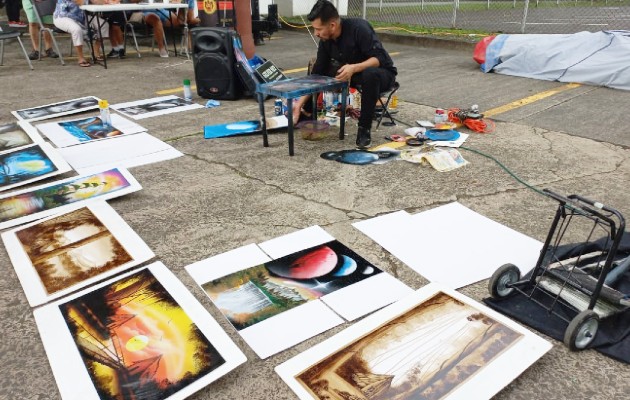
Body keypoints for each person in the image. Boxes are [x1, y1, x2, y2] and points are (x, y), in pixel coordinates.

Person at [291, 0, 397, 149]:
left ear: (332, 25)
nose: (316, 33)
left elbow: (379, 58)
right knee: (318, 67)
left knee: (369, 74)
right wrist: (298, 103)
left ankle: (364, 129)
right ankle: (306, 111)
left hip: (382, 74)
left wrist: (354, 67)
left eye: (318, 29)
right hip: (353, 73)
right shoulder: (325, 41)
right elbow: (316, 74)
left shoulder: (359, 28)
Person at [53, 0, 107, 67]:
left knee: (104, 25)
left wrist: (106, 1)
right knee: (76, 29)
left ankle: (96, 51)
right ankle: (81, 58)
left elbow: (98, 2)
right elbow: (79, 2)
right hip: (63, 17)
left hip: (81, 17)